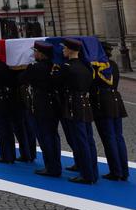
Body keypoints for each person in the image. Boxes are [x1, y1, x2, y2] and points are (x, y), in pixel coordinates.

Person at [53, 38, 99, 184]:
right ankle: (93, 171)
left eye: (65, 48)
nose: (63, 50)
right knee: (89, 139)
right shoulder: (86, 66)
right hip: (85, 103)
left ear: (71, 50)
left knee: (80, 140)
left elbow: (56, 82)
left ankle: (86, 175)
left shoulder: (66, 67)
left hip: (74, 103)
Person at [20, 41, 61, 177]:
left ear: (41, 54)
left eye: (36, 52)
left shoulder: (34, 68)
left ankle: (51, 167)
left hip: (40, 105)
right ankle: (56, 165)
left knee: (44, 137)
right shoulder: (55, 67)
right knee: (54, 136)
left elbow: (22, 79)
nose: (34, 54)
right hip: (54, 104)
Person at [92, 41, 129, 181]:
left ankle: (115, 171)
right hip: (115, 100)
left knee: (109, 138)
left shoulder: (96, 66)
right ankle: (124, 171)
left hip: (102, 102)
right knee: (119, 137)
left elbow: (93, 85)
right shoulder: (113, 64)